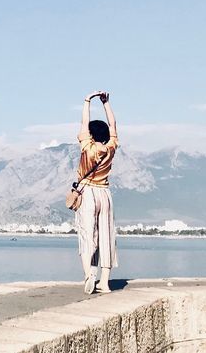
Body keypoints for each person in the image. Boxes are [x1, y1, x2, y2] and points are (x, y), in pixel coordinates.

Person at [75, 90, 118, 294]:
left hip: (88, 193)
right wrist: (106, 103)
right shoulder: (111, 147)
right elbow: (114, 126)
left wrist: (87, 101)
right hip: (105, 194)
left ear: (90, 135)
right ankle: (105, 282)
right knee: (106, 236)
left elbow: (84, 123)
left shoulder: (87, 147)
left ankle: (89, 275)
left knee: (87, 235)